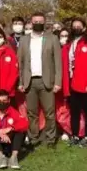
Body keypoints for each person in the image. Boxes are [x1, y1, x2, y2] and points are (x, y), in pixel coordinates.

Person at [17, 12, 61, 147]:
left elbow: (58, 62)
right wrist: (20, 82)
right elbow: (21, 62)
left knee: (49, 112)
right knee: (32, 113)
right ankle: (33, 138)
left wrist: (58, 82)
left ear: (44, 23)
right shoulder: (24, 40)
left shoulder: (52, 39)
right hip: (29, 81)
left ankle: (50, 138)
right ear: (31, 23)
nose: (37, 24)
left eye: (40, 21)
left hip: (46, 81)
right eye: (35, 22)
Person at [62, 18, 87, 147]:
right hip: (72, 82)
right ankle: (75, 134)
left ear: (83, 28)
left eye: (79, 26)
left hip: (85, 83)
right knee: (74, 111)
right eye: (74, 26)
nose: (76, 28)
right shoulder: (69, 44)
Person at [0, 89, 28, 169]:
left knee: (19, 133)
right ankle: (1, 157)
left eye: (4, 100)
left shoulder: (13, 112)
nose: (2, 103)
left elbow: (24, 123)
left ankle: (14, 158)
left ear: (9, 101)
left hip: (9, 143)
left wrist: (11, 128)